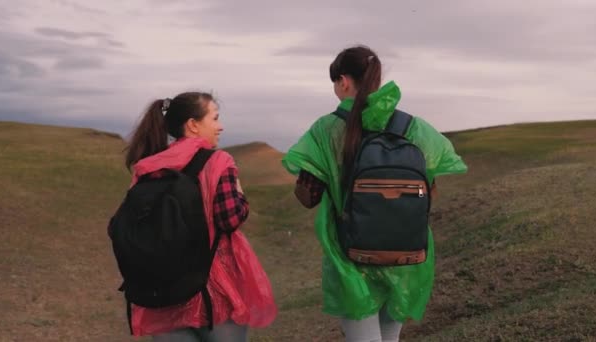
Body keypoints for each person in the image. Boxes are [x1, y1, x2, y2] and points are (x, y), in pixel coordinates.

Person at [282, 45, 467, 341]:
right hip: (406, 257)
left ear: (343, 81)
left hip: (351, 259)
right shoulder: (415, 128)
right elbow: (430, 189)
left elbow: (308, 197)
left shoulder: (327, 129)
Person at [123, 92, 277, 341]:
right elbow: (229, 219)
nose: (221, 126)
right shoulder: (218, 161)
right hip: (214, 289)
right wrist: (241, 196)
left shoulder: (149, 166)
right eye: (215, 118)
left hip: (160, 290)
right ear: (193, 125)